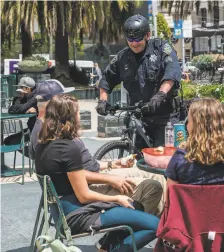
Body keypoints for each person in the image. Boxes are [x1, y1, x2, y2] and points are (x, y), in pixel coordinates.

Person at [35, 94, 160, 251]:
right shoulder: (68, 148)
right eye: (78, 112)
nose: (79, 116)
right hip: (78, 216)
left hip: (60, 213)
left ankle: (107, 246)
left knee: (135, 207)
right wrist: (116, 198)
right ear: (69, 117)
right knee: (157, 225)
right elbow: (84, 195)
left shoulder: (43, 145)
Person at [30, 80, 163, 215]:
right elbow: (70, 175)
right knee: (153, 185)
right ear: (56, 102)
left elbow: (76, 165)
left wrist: (112, 164)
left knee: (150, 176)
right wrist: (110, 179)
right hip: (87, 187)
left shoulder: (49, 130)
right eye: (63, 97)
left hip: (91, 178)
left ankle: (146, 224)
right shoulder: (47, 136)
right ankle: (142, 225)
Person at [96, 14, 183, 150]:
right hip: (139, 116)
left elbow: (171, 73)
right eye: (130, 39)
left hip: (165, 116)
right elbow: (106, 79)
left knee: (163, 159)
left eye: (138, 38)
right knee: (136, 157)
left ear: (147, 35)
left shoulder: (162, 49)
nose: (134, 43)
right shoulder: (122, 57)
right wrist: (103, 101)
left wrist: (160, 95)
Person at [166, 98, 224, 188]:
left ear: (196, 127)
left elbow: (170, 199)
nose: (187, 125)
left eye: (189, 121)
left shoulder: (181, 159)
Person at [4, 77, 38, 153]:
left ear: (28, 89)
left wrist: (24, 109)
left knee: (10, 142)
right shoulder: (26, 97)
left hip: (36, 131)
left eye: (21, 88)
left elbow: (22, 108)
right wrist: (26, 110)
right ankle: (36, 154)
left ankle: (36, 156)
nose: (20, 90)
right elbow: (12, 109)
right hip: (31, 129)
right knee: (7, 141)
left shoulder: (35, 97)